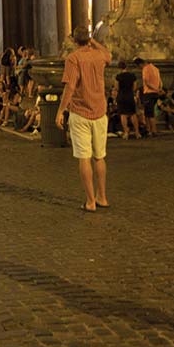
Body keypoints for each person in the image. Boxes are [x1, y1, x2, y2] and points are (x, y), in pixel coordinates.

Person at [57, 26, 112, 212]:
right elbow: (108, 55)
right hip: (100, 111)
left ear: (73, 40)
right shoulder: (99, 55)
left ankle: (90, 202)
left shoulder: (73, 59)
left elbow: (70, 87)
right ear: (88, 39)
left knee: (84, 157)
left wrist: (60, 110)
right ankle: (102, 197)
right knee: (100, 157)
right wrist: (94, 42)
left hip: (80, 112)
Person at [135, 57, 162, 137]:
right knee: (150, 112)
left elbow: (146, 81)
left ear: (140, 64)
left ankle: (151, 130)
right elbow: (160, 81)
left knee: (148, 114)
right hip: (155, 94)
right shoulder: (155, 68)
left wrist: (155, 89)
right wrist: (159, 89)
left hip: (149, 93)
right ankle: (151, 130)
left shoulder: (145, 69)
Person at [115, 61, 140, 139]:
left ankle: (126, 132)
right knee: (133, 114)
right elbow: (135, 87)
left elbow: (116, 88)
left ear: (119, 68)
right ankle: (137, 132)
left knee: (123, 115)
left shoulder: (118, 76)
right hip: (130, 95)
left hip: (122, 96)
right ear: (126, 67)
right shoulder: (132, 76)